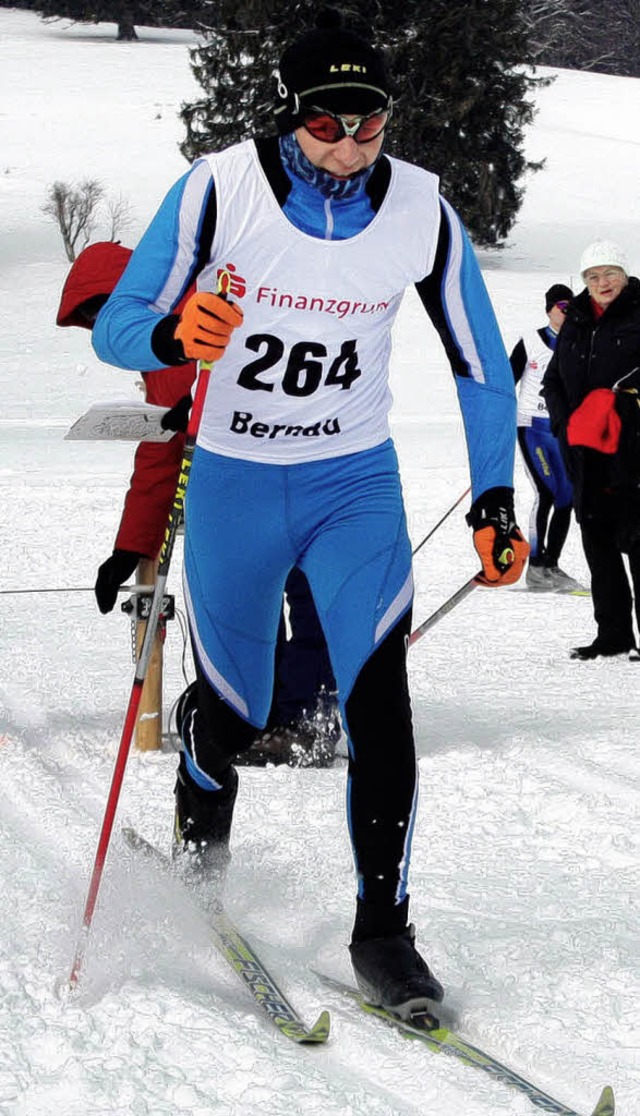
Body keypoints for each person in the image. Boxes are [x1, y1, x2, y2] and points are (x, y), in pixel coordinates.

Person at [91, 8, 528, 1019]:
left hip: (352, 483)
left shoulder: (420, 206)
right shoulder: (218, 188)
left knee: (379, 697)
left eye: (369, 122)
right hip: (240, 480)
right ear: (290, 118)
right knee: (237, 711)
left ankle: (385, 932)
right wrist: (169, 328)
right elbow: (118, 325)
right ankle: (202, 817)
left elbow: (479, 366)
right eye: (327, 124)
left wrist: (494, 499)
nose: (349, 145)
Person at [57, 242, 339, 765]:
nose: (101, 322)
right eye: (92, 317)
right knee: (249, 598)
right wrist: (130, 546)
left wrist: (212, 403)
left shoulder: (204, 297)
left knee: (309, 588)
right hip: (240, 486)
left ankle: (309, 718)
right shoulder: (155, 346)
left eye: (101, 307)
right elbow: (162, 451)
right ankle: (269, 714)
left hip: (305, 459)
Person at [543, 240, 640, 660]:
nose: (602, 283)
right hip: (585, 448)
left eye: (609, 274)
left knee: (639, 540)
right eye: (593, 276)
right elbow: (554, 379)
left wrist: (624, 403)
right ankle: (613, 636)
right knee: (597, 542)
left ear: (624, 274)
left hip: (633, 448)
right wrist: (564, 424)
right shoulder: (577, 320)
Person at [509, 284, 584, 592]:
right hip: (532, 427)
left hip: (561, 430)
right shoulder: (530, 342)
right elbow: (505, 383)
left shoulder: (578, 343)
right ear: (550, 308)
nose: (567, 313)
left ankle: (550, 565)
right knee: (546, 492)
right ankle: (536, 567)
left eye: (572, 308)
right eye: (562, 307)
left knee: (567, 496)